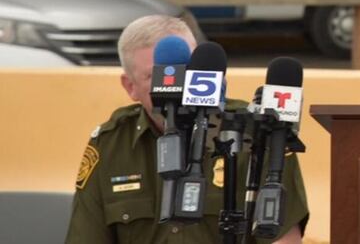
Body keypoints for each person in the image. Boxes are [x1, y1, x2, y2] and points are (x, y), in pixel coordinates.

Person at [66, 15, 309, 243]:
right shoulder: (111, 144)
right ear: (130, 87)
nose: (175, 85)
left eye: (185, 72)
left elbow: (284, 239)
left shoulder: (256, 133)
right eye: (156, 76)